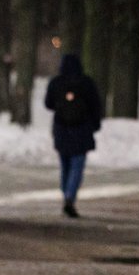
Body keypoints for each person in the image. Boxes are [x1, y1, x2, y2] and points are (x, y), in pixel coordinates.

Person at [43, 53, 102, 218]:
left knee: (65, 166)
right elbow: (95, 106)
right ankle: (70, 195)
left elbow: (48, 103)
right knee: (77, 166)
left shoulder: (56, 82)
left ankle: (66, 194)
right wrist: (95, 125)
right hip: (82, 130)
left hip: (62, 129)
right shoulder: (87, 83)